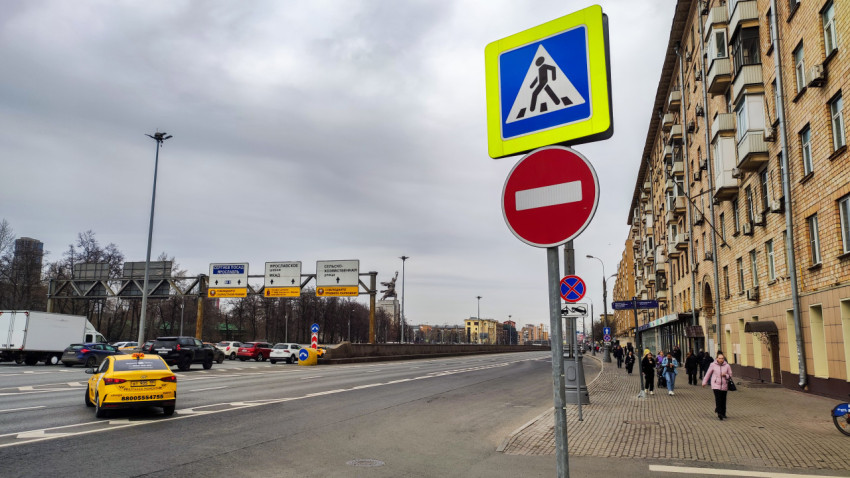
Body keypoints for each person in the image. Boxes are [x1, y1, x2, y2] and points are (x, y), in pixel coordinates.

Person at [702, 351, 733, 420]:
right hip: (715, 384)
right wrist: (704, 382)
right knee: (718, 398)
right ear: (717, 358)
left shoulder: (727, 366)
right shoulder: (713, 365)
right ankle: (719, 413)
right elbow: (708, 374)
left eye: (722, 358)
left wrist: (726, 375)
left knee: (723, 399)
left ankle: (723, 413)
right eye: (720, 358)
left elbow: (730, 375)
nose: (721, 360)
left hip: (724, 385)